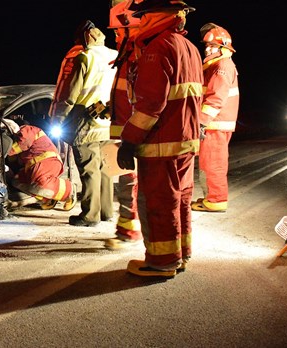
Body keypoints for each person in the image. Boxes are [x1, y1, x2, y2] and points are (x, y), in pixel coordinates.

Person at [116, 0, 203, 277]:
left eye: (143, 17)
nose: (140, 22)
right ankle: (181, 254)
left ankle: (162, 262)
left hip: (160, 143)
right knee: (182, 200)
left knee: (158, 202)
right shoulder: (189, 47)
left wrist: (129, 140)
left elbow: (151, 102)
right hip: (186, 140)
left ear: (156, 16)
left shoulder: (158, 47)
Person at [49, 19, 118, 227]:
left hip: (85, 118)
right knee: (104, 167)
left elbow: (71, 94)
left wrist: (59, 118)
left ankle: (89, 215)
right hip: (107, 117)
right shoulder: (114, 55)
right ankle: (106, 211)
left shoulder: (84, 58)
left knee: (89, 168)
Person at [104, 0, 143, 250]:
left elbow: (144, 99)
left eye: (118, 30)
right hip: (125, 129)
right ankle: (126, 228)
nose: (116, 35)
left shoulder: (138, 52)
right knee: (127, 181)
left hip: (133, 132)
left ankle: (129, 232)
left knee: (131, 182)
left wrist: (131, 136)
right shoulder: (128, 53)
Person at [191, 23, 239, 213]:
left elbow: (215, 97)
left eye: (212, 46)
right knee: (208, 162)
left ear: (224, 47)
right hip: (215, 124)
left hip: (215, 124)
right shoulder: (217, 64)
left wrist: (202, 121)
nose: (208, 49)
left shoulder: (221, 65)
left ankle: (216, 200)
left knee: (213, 164)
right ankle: (212, 197)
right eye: (207, 46)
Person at [3, 118, 76, 210]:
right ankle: (48, 197)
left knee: (40, 183)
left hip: (47, 161)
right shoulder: (17, 138)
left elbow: (24, 142)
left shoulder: (26, 129)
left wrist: (5, 152)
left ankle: (70, 190)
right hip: (33, 166)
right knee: (17, 180)